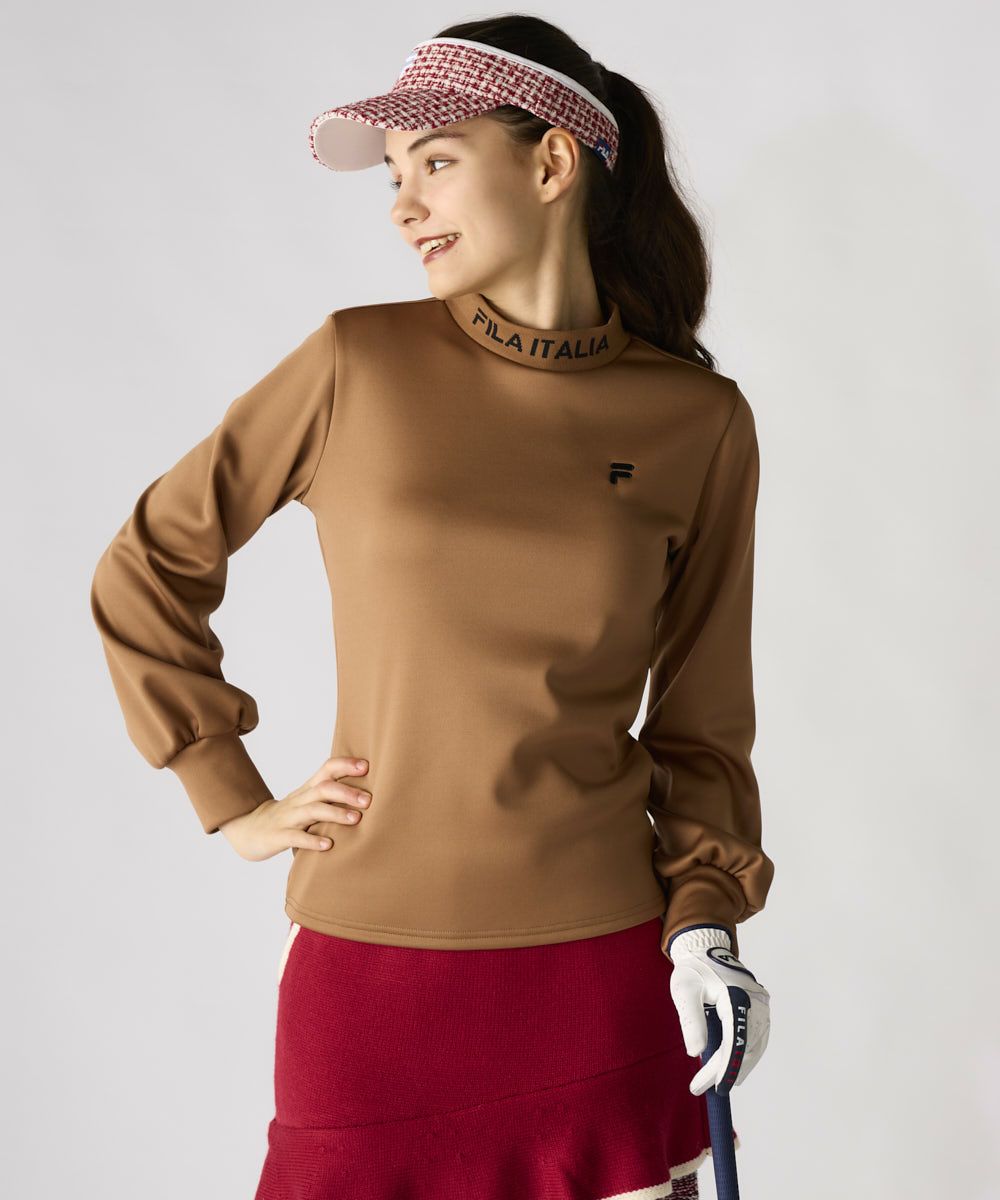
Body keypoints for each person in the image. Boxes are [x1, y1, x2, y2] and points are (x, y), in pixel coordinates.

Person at [89, 14, 775, 1199]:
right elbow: (147, 562)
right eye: (394, 178)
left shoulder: (696, 422)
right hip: (370, 985)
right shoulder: (355, 363)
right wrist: (226, 791)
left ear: (551, 163)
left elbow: (703, 720)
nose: (403, 206)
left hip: (602, 980)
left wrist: (706, 920)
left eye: (436, 162)